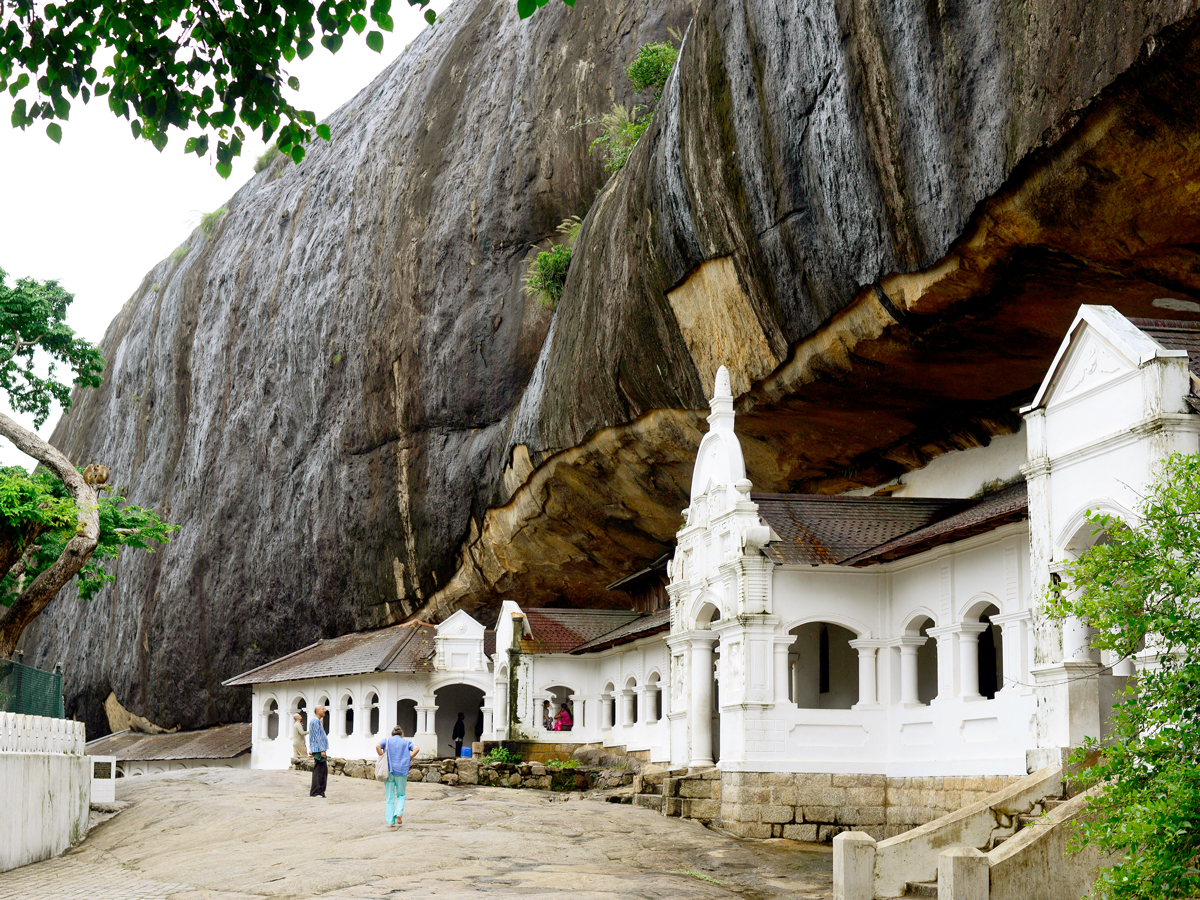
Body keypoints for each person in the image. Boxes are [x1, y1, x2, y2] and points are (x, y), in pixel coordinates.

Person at [376, 726, 419, 827]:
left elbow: (378, 746)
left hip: (389, 771)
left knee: (390, 798)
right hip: (402, 771)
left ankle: (390, 822)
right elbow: (416, 748)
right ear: (401, 735)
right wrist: (409, 757)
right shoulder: (406, 742)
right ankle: (398, 813)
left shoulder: (387, 741)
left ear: (392, 734)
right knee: (401, 795)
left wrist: (382, 755)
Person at [308, 704, 329, 798]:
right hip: (319, 749)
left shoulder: (316, 721)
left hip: (317, 749)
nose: (324, 710)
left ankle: (320, 791)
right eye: (322, 709)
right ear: (317, 711)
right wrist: (322, 750)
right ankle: (316, 792)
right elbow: (317, 736)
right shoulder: (315, 721)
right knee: (319, 770)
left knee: (323, 770)